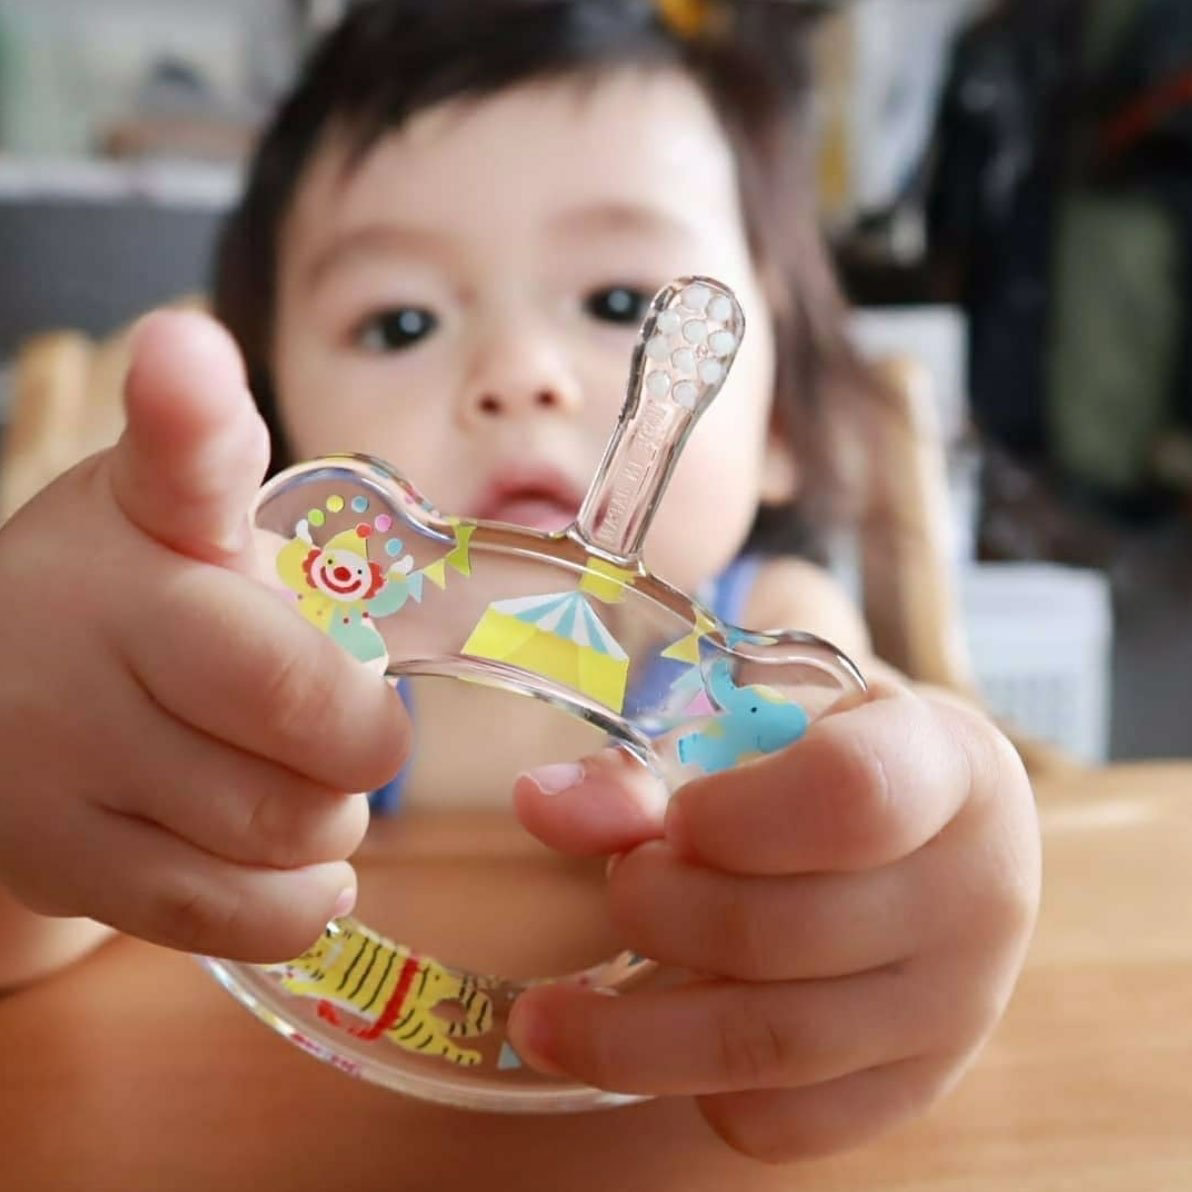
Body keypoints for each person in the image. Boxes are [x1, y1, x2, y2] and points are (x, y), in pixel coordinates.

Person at [0, 0, 1039, 1170]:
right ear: (288, 432)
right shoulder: (259, 669)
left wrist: (931, 825)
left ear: (784, 417)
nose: (516, 375)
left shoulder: (765, 626)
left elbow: (874, 747)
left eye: (612, 305)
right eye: (401, 322)